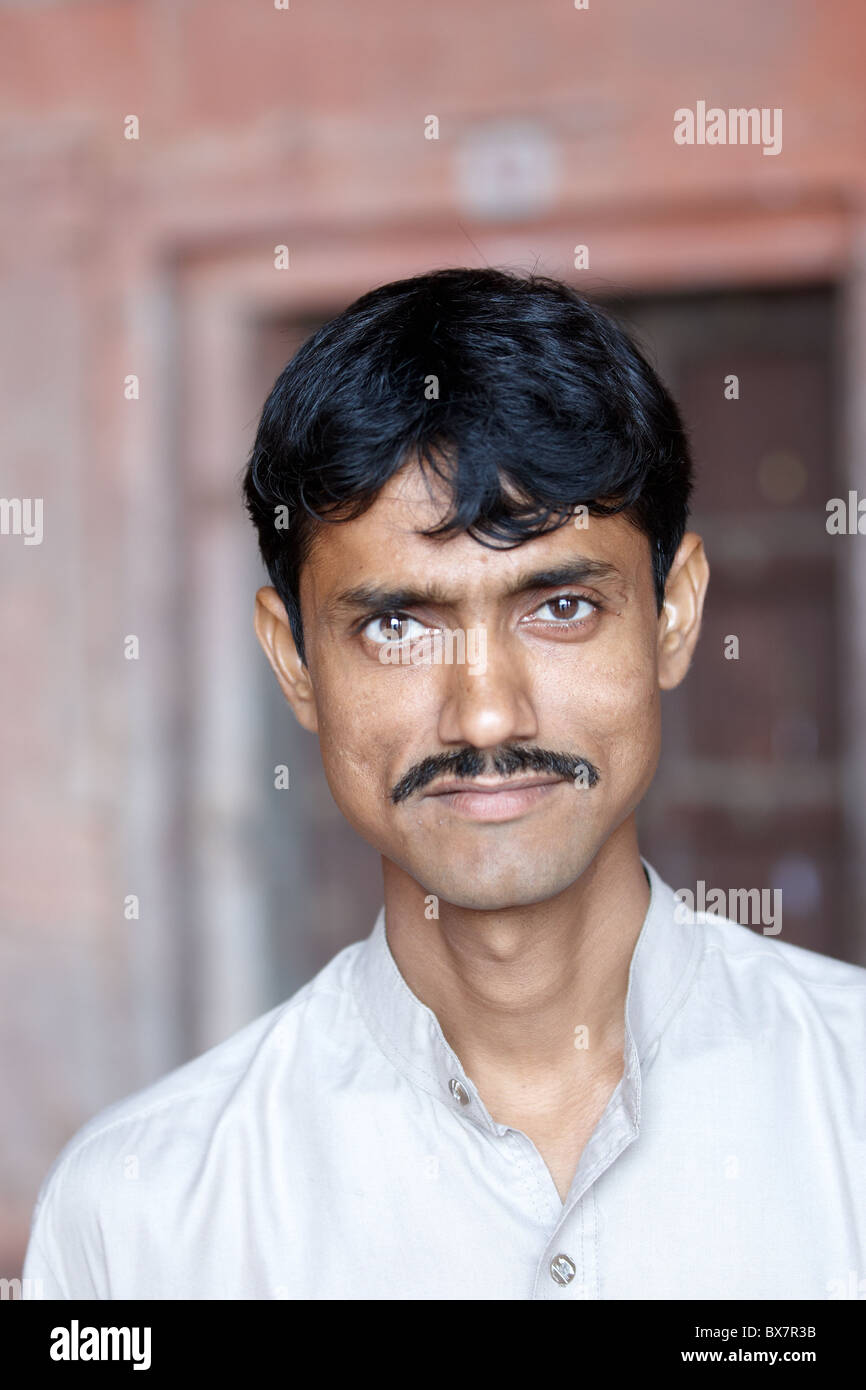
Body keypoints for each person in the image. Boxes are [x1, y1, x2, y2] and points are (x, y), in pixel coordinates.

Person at [23, 268, 865, 1299]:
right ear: (294, 662)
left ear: (674, 616)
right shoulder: (140, 1220)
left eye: (559, 607)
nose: (486, 715)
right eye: (396, 625)